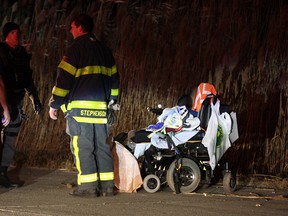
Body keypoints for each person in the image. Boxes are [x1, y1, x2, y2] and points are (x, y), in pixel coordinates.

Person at [48, 14, 120, 197]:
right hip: (103, 111)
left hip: (80, 112)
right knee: (103, 147)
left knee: (84, 147)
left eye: (72, 27)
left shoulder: (74, 50)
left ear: (80, 27)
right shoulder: (105, 50)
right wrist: (112, 104)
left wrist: (54, 104)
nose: (70, 30)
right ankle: (107, 186)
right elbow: (114, 82)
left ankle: (88, 187)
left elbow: (63, 80)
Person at [0, 22, 42, 188]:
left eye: (18, 32)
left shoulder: (21, 54)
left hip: (15, 102)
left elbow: (27, 80)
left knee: (10, 140)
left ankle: (3, 173)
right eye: (13, 32)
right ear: (6, 35)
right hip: (2, 102)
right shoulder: (1, 51)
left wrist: (35, 99)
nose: (17, 35)